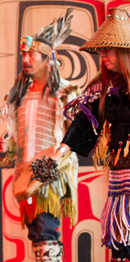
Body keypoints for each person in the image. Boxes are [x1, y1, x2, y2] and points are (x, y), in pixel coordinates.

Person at [0, 9, 78, 261]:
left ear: (47, 60)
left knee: (47, 230)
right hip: (25, 173)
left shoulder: (63, 94)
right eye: (24, 55)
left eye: (32, 55)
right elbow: (18, 138)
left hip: (48, 174)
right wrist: (8, 146)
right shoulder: (21, 95)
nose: (26, 60)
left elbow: (74, 133)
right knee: (36, 233)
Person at [57, 7, 130, 261]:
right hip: (121, 185)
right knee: (122, 248)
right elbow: (85, 122)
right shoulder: (105, 88)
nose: (102, 53)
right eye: (100, 48)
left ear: (124, 49)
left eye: (107, 47)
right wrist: (60, 150)